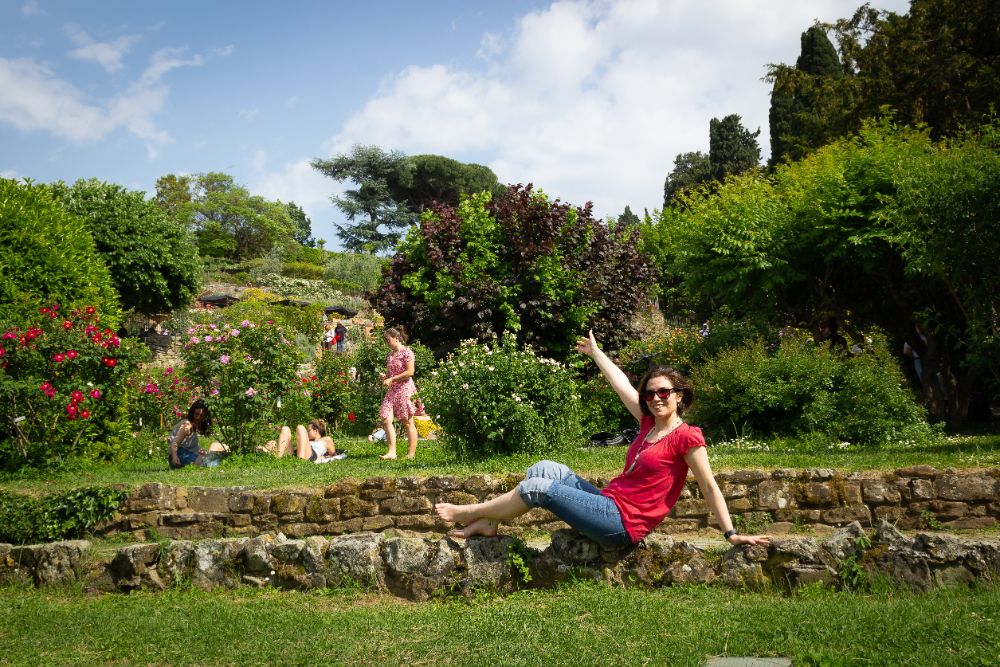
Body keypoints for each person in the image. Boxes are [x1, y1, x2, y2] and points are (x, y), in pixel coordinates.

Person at [434, 330, 771, 548]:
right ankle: (490, 522)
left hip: (623, 525)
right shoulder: (647, 425)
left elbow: (710, 487)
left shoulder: (687, 437)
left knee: (536, 489)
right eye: (651, 393)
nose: (656, 398)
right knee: (545, 468)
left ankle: (467, 512)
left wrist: (731, 534)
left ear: (680, 396)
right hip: (608, 504)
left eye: (665, 392)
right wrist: (597, 353)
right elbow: (621, 384)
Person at [378, 326, 419, 460]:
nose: (387, 343)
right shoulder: (390, 355)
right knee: (386, 419)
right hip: (393, 390)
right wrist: (385, 377)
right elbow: (391, 374)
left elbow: (410, 372)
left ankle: (411, 454)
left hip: (405, 389)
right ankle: (392, 453)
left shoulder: (407, 352)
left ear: (396, 338)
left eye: (388, 340)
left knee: (407, 422)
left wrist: (392, 379)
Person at [168, 399, 228, 469]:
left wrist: (200, 453)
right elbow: (174, 443)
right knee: (215, 461)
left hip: (186, 456)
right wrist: (174, 457)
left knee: (217, 451)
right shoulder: (187, 425)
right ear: (192, 412)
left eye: (201, 415)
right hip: (180, 456)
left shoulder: (192, 425)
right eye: (196, 414)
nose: (198, 417)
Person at [266, 419, 339, 462]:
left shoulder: (326, 439)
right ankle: (277, 458)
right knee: (285, 429)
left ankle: (300, 461)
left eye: (308, 430)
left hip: (309, 455)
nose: (306, 432)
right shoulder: (307, 441)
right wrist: (275, 446)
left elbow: (333, 455)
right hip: (296, 454)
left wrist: (323, 457)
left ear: (316, 431)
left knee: (300, 427)